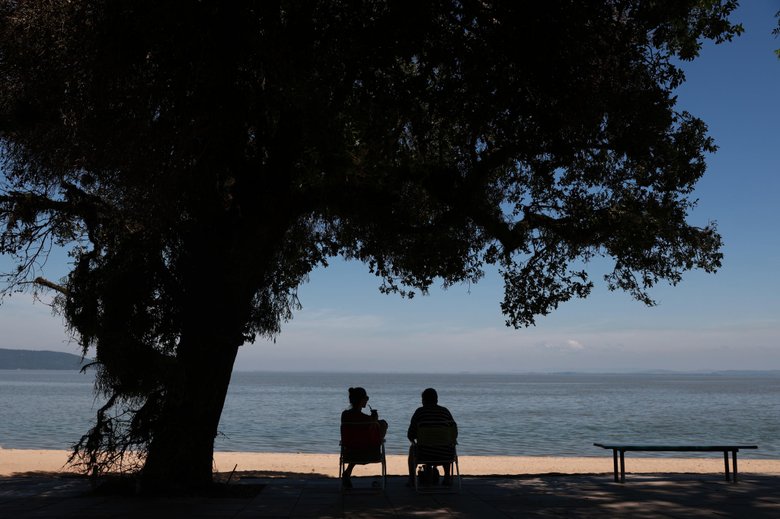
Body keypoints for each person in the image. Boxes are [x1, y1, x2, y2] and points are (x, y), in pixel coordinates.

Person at [407, 387, 458, 487]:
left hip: (424, 453)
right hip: (446, 454)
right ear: (437, 400)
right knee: (447, 444)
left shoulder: (420, 412)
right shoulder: (445, 412)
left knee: (412, 448)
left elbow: (410, 435)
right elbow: (454, 433)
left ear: (423, 400)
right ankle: (447, 478)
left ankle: (412, 479)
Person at [340, 386, 388, 488]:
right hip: (371, 455)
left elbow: (355, 421)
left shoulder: (344, 416)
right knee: (383, 424)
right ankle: (347, 473)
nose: (367, 400)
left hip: (350, 454)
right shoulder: (368, 420)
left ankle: (347, 472)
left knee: (357, 442)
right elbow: (376, 434)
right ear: (361, 400)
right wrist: (375, 420)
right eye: (366, 398)